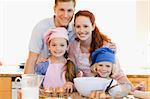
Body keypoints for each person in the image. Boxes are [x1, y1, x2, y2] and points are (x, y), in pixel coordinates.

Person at [68, 10, 130, 83]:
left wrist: (133, 90)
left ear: (93, 26)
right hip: (83, 88)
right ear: (74, 28)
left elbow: (118, 73)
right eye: (78, 26)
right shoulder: (73, 46)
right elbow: (71, 71)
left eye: (85, 26)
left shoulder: (105, 46)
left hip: (103, 88)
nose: (82, 30)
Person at [24, 0, 76, 74]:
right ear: (54, 9)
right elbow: (32, 59)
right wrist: (28, 84)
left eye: (69, 10)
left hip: (65, 77)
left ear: (74, 11)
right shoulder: (41, 27)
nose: (65, 15)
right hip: (43, 76)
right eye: (62, 10)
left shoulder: (75, 30)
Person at [35, 27, 76, 92]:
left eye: (62, 45)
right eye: (54, 45)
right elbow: (37, 85)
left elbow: (76, 85)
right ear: (49, 46)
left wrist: (71, 85)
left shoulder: (71, 65)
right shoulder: (43, 65)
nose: (57, 48)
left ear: (67, 47)